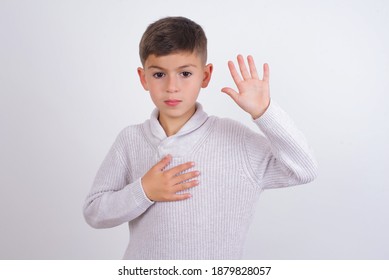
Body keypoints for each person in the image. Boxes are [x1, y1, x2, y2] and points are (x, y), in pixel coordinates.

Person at [83, 16, 318, 259]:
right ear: (143, 78)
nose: (172, 87)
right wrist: (144, 191)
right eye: (159, 75)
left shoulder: (236, 141)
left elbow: (304, 170)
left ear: (205, 76)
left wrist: (265, 112)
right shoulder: (130, 140)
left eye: (185, 73)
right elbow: (94, 212)